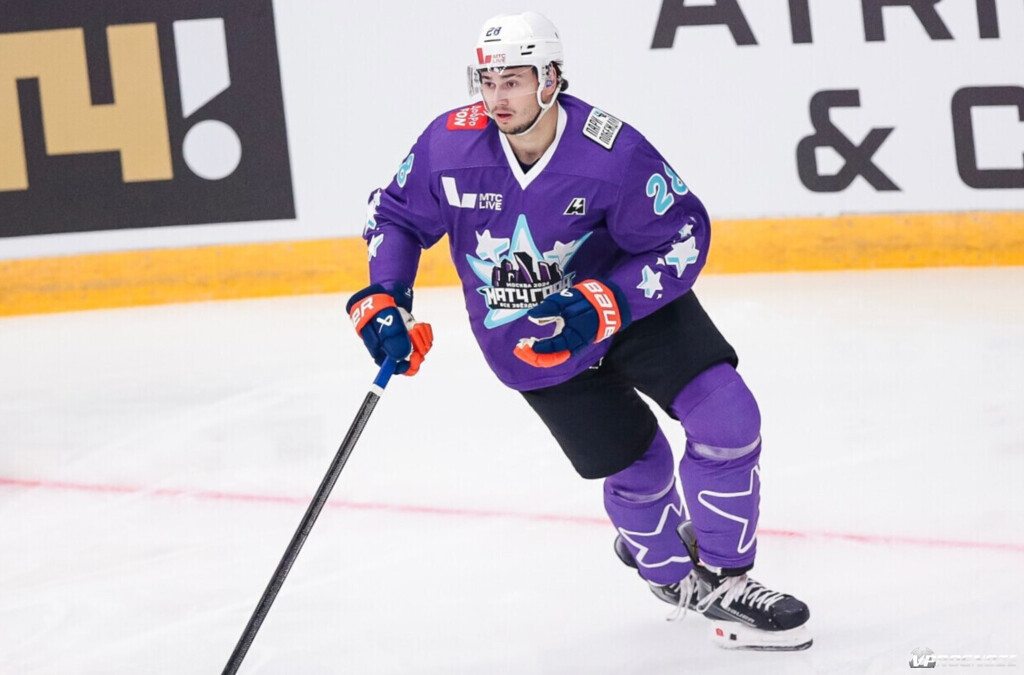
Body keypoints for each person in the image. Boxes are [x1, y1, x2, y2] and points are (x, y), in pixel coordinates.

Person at [346, 11, 812, 651]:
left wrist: (609, 301)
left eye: (513, 81)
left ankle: (730, 581)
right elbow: (395, 215)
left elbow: (683, 235)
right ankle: (671, 573)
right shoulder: (449, 146)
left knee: (728, 418)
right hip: (530, 340)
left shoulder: (610, 153)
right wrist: (385, 297)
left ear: (551, 79)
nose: (497, 98)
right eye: (488, 81)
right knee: (642, 468)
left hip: (629, 307)